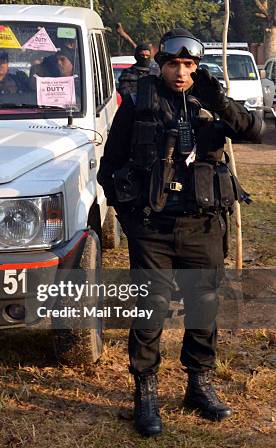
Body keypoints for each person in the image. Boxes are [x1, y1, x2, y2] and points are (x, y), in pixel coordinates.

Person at [97, 28, 262, 437]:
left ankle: (199, 384)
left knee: (203, 307)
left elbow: (251, 130)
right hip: (152, 228)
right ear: (161, 65)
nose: (181, 73)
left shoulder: (212, 103)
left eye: (189, 65)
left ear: (197, 67)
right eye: (174, 64)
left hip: (203, 225)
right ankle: (146, 391)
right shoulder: (139, 103)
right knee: (150, 311)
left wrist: (217, 97)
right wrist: (131, 220)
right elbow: (109, 167)